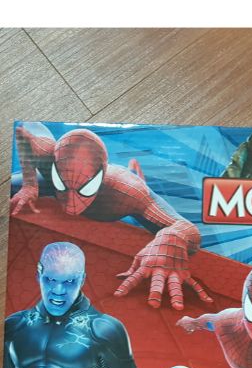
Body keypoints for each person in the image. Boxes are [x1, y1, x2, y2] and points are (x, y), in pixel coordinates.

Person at [10, 123, 211, 310]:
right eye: (63, 185)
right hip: (53, 181)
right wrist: (29, 185)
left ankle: (132, 170)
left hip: (118, 196)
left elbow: (188, 231)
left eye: (85, 189)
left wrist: (169, 241)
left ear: (100, 176)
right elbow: (25, 130)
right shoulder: (47, 156)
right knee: (11, 186)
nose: (71, 205)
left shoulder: (129, 192)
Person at [2, 242, 163, 368]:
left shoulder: (102, 330)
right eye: (51, 279)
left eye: (70, 282)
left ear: (83, 279)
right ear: (38, 274)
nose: (59, 291)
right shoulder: (15, 326)